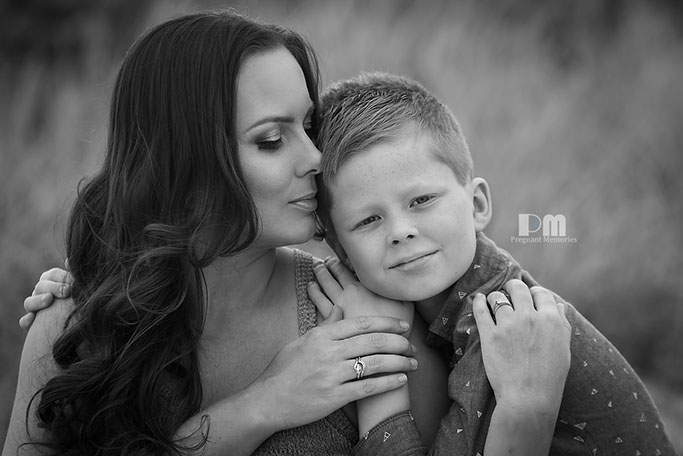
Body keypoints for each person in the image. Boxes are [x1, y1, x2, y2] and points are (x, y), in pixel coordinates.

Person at [7, 11, 571, 456]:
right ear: (184, 163)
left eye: (308, 127)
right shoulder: (74, 327)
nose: (318, 159)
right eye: (271, 141)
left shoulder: (366, 314)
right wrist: (265, 405)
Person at [306, 71, 677, 455]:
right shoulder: (453, 311)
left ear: (477, 205)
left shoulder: (496, 323)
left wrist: (380, 396)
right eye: (369, 220)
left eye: (421, 201)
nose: (400, 231)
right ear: (341, 251)